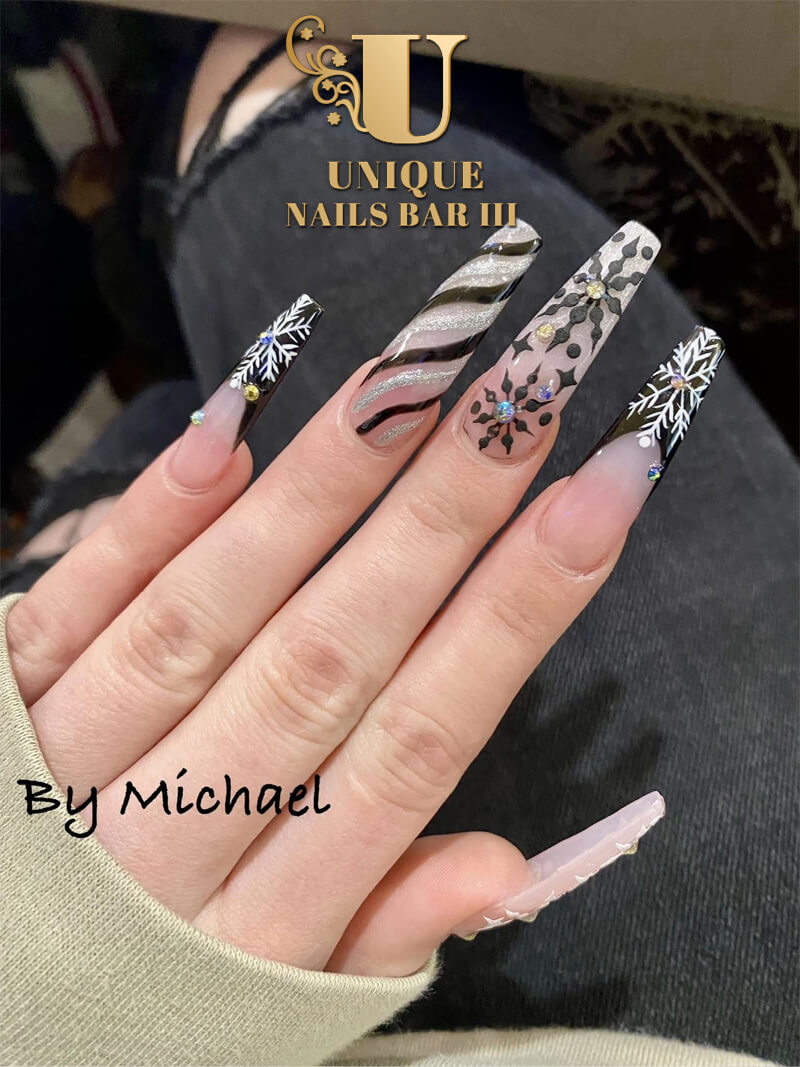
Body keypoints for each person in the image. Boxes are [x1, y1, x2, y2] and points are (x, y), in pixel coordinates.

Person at [1, 26, 796, 1067]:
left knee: (179, 431)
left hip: (50, 682)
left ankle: (132, 277)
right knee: (270, 151)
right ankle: (142, 230)